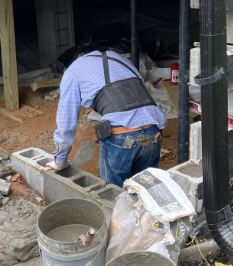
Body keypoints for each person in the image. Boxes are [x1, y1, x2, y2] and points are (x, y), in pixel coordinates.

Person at [46, 50, 167, 186]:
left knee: (113, 194)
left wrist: (60, 160)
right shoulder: (120, 58)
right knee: (146, 192)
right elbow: (142, 96)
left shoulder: (73, 70)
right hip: (153, 132)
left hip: (122, 137)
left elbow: (66, 119)